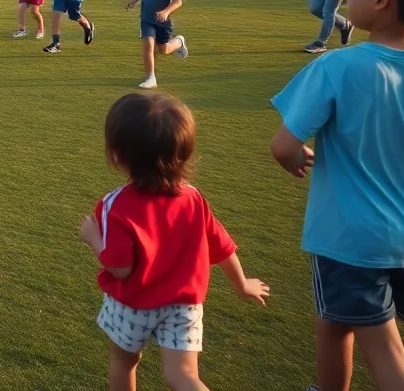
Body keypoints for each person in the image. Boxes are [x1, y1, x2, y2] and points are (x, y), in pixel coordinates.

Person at [270, 0, 404, 391]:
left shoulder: (338, 67)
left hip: (352, 241)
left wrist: (297, 157)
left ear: (380, 0)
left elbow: (284, 146)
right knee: (335, 320)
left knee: (386, 351)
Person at [80, 93, 269, 391]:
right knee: (183, 376)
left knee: (124, 363)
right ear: (182, 154)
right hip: (184, 305)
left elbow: (120, 268)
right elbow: (222, 246)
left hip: (133, 304)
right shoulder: (193, 198)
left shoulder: (114, 205)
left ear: (117, 154)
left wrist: (93, 239)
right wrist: (242, 284)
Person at [126, 0, 189, 89]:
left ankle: (179, 41)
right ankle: (151, 77)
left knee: (164, 50)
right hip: (146, 20)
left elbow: (178, 1)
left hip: (162, 23)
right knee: (148, 45)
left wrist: (166, 12)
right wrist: (132, 1)